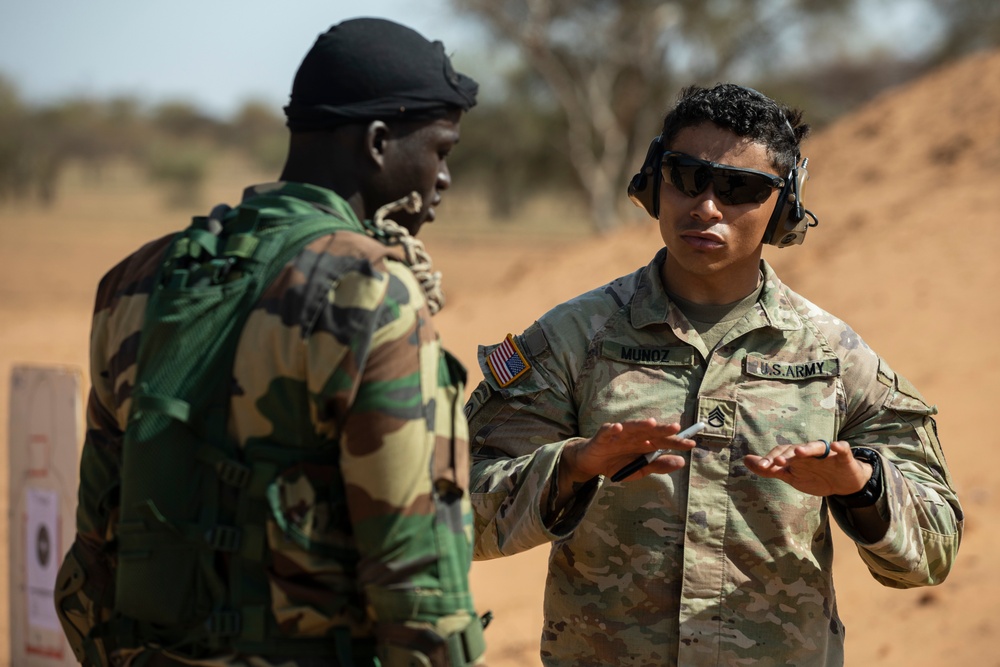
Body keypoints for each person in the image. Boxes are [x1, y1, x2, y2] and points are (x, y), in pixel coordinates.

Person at [465, 83, 963, 666]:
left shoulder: (835, 355)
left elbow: (935, 549)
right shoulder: (575, 338)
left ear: (785, 202)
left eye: (739, 189)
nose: (705, 206)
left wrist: (863, 487)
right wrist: (573, 468)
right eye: (686, 176)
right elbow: (450, 516)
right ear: (655, 181)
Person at [53, 17, 490, 667]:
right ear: (376, 143)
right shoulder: (372, 291)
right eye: (441, 150)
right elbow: (419, 592)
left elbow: (90, 568)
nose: (443, 180)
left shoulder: (137, 281)